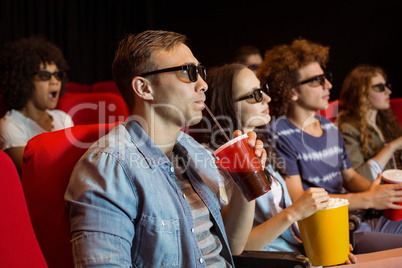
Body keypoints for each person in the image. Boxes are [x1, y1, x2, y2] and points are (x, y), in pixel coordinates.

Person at [64, 30, 267, 267]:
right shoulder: (109, 166)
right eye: (188, 72)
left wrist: (246, 181)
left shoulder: (194, 151)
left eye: (200, 72)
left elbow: (232, 246)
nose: (203, 84)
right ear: (144, 88)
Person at [258, 38, 402, 254]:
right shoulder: (279, 133)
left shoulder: (329, 126)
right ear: (291, 91)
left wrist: (376, 190)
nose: (329, 85)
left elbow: (350, 177)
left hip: (360, 217)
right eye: (317, 81)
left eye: (327, 78)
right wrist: (368, 198)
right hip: (332, 229)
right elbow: (298, 199)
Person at [0, 36, 74, 177]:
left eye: (57, 75)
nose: (55, 81)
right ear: (24, 81)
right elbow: (34, 171)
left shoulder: (63, 118)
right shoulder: (10, 125)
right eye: (45, 75)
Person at [337, 65, 402, 181]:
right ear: (362, 93)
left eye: (387, 86)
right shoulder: (348, 129)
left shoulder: (385, 122)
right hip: (379, 194)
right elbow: (358, 178)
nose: (388, 91)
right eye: (380, 87)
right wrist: (392, 147)